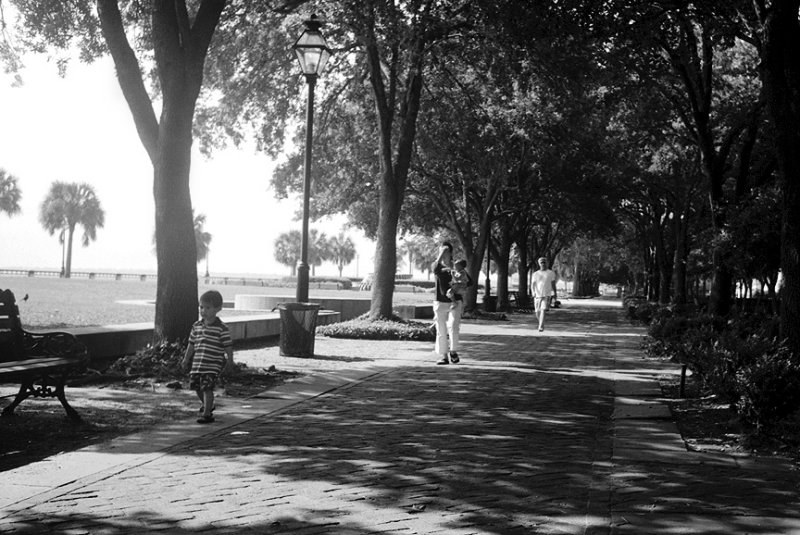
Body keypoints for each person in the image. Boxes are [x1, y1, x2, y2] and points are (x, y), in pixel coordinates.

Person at [182, 290, 233, 424]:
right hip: (198, 364)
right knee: (197, 388)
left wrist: (230, 361)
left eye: (207, 308)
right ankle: (207, 405)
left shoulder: (222, 328)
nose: (203, 311)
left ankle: (207, 413)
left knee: (207, 388)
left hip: (212, 365)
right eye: (201, 307)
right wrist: (186, 359)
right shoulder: (196, 326)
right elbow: (191, 344)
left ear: (218, 309)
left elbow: (228, 346)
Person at [432, 242, 471, 365]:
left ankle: (453, 351)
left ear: (451, 252)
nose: (444, 253)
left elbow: (469, 281)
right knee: (441, 329)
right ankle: (444, 355)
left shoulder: (456, 266)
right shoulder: (437, 266)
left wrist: (460, 285)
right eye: (442, 251)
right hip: (440, 301)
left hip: (456, 301)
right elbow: (434, 269)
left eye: (446, 251)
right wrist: (441, 253)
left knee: (453, 326)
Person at [532, 257, 558, 332]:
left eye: (544, 262)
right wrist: (533, 292)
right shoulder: (535, 274)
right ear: (539, 264)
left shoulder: (551, 273)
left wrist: (555, 293)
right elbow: (532, 284)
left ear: (547, 263)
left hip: (547, 294)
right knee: (537, 312)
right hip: (537, 295)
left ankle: (541, 326)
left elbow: (553, 284)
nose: (543, 264)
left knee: (543, 309)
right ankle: (541, 322)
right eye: (541, 262)